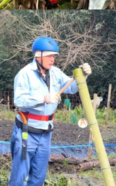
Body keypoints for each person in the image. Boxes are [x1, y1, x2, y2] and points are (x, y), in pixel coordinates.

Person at [10, 37, 91, 186]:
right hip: (26, 133)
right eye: (49, 55)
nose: (52, 59)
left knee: (39, 177)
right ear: (38, 55)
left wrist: (82, 77)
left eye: (54, 56)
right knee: (19, 176)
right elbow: (19, 100)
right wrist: (44, 98)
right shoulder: (25, 74)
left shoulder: (56, 73)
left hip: (45, 134)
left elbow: (72, 88)